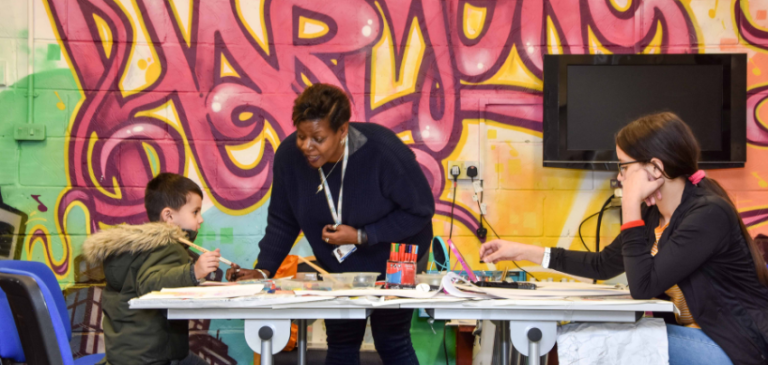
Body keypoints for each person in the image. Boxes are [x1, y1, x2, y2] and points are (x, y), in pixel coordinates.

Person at [480, 112, 768, 365]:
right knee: (583, 333)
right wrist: (523, 251)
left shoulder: (707, 214)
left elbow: (643, 286)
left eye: (624, 167)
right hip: (698, 338)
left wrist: (629, 204)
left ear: (655, 168)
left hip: (734, 348)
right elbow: (602, 265)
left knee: (592, 341)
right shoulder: (655, 215)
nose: (620, 177)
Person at [227, 83, 434, 365]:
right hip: (341, 260)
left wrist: (363, 235)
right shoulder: (289, 157)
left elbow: (420, 211)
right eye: (301, 136)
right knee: (342, 339)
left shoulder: (383, 151)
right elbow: (282, 220)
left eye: (318, 138)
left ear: (342, 131)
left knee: (391, 338)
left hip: (398, 253)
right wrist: (264, 271)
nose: (306, 146)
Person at [83, 173, 221, 365]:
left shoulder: (141, 250)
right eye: (195, 212)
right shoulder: (168, 247)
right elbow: (149, 283)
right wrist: (193, 273)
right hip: (155, 358)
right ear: (169, 216)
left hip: (126, 356)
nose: (201, 219)